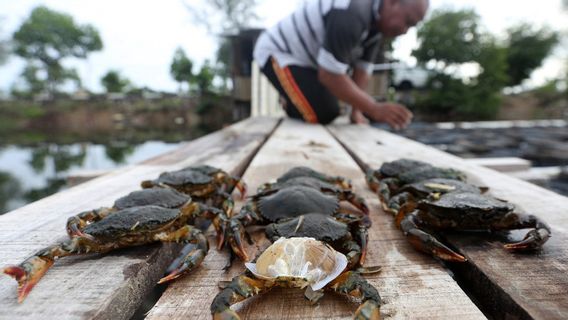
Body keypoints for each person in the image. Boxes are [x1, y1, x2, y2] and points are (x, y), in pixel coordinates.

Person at [253, 0, 429, 128]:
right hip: (280, 52)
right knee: (323, 113)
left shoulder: (376, 29)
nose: (405, 31)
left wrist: (357, 111)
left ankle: (297, 94)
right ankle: (291, 100)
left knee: (331, 107)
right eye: (407, 21)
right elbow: (329, 74)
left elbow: (362, 70)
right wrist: (373, 108)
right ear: (393, 2)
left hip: (312, 63)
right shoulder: (351, 12)